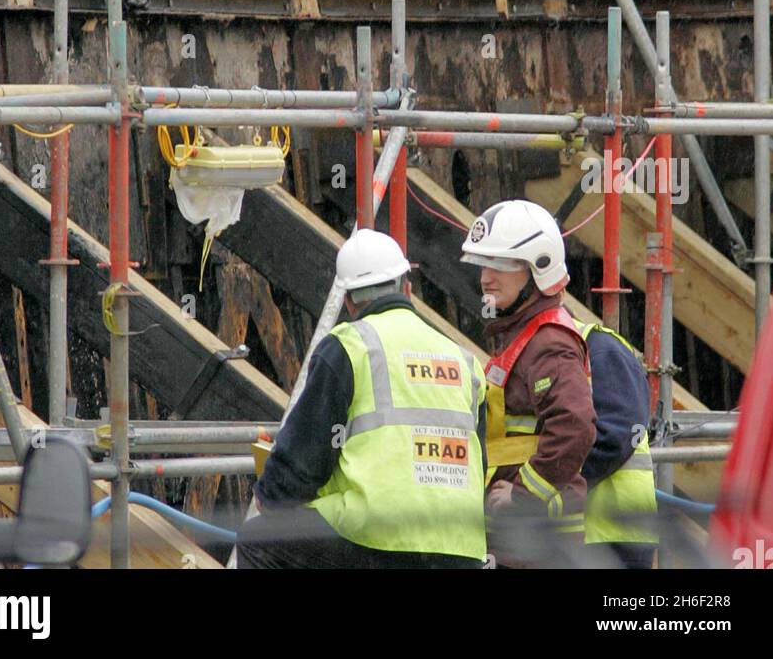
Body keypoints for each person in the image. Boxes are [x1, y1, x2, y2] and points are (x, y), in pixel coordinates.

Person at [237, 228, 487, 569]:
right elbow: (479, 464)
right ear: (408, 288)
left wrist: (272, 496)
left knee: (259, 541)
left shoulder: (350, 347)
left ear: (349, 301)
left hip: (377, 540)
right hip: (462, 546)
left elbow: (306, 454)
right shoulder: (465, 361)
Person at [460, 200, 596, 567]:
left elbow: (575, 424)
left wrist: (523, 495)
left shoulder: (548, 342)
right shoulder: (524, 337)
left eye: (501, 264)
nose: (487, 277)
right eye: (483, 264)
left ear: (539, 268)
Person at [571, 315, 659, 569]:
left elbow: (615, 438)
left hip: (612, 535)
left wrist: (550, 487)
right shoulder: (526, 351)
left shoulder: (598, 347)